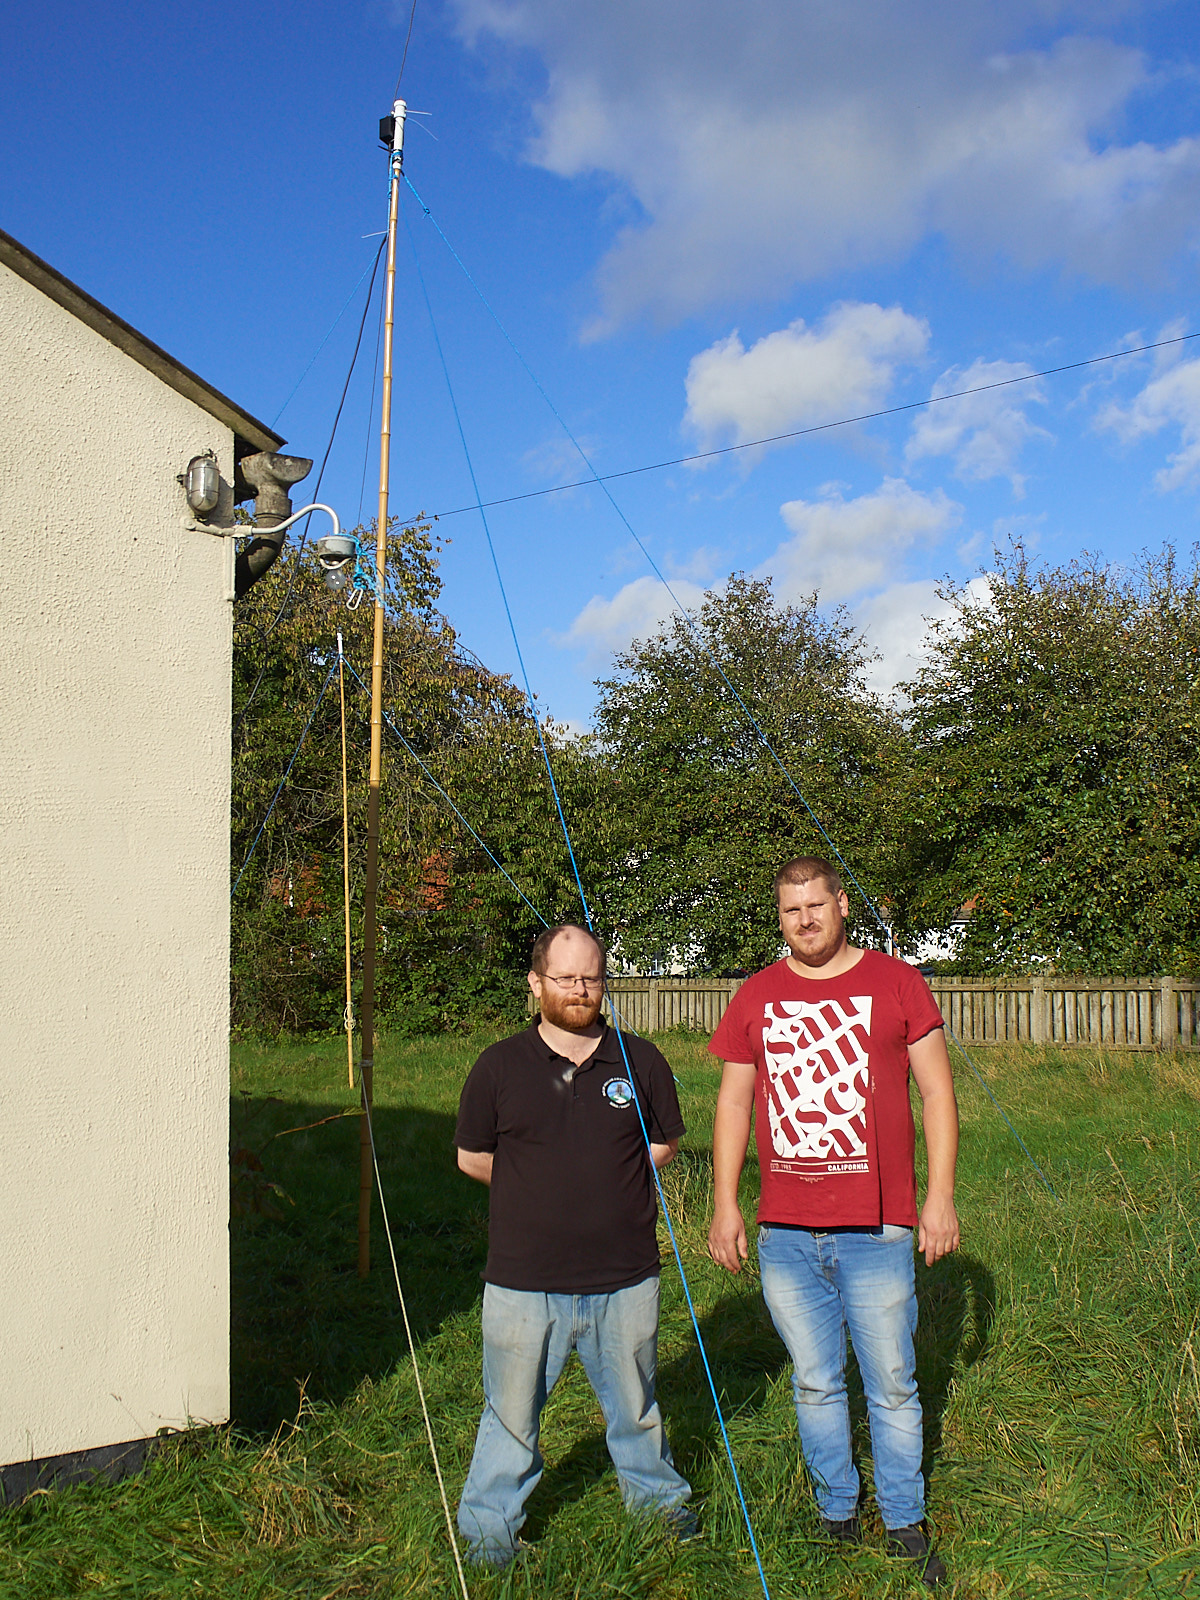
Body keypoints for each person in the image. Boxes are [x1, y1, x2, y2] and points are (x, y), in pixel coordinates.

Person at [706, 857, 959, 1589]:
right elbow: (733, 1103)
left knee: (892, 1383)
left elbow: (937, 1094)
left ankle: (905, 1520)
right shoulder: (756, 995)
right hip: (786, 1233)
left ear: (842, 905)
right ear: (780, 918)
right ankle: (836, 1512)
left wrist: (938, 1197)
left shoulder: (897, 982)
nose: (805, 920)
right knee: (815, 1383)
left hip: (878, 1229)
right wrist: (726, 1203)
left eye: (816, 905)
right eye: (791, 911)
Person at [454, 922, 694, 1567]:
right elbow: (472, 1156)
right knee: (510, 1415)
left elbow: (664, 1142)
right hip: (523, 1281)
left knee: (636, 1408)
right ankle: (489, 1533)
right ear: (536, 983)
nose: (579, 989)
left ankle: (660, 1508)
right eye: (564, 978)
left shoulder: (640, 1060)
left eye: (591, 977)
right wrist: (539, 1186)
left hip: (626, 1275)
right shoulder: (498, 1066)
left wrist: (606, 1179)